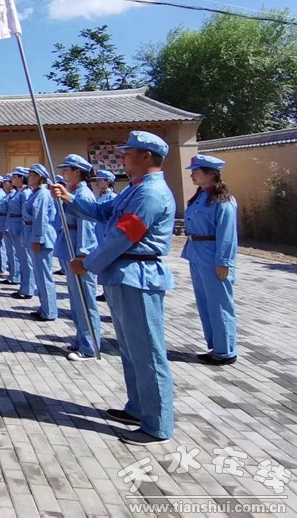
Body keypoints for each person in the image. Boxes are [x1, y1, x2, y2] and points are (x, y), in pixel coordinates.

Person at [52, 130, 175, 446]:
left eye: (129, 152)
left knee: (147, 351)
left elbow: (124, 235)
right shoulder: (136, 189)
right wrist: (70, 198)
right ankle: (138, 408)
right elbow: (103, 213)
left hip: (139, 274)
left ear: (146, 156)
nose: (123, 156)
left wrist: (88, 263)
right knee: (132, 350)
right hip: (123, 273)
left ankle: (157, 423)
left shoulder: (150, 194)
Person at [182, 154, 238, 366]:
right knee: (205, 302)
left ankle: (226, 351)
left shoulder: (224, 201)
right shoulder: (200, 196)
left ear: (210, 174)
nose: (192, 174)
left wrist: (224, 262)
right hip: (196, 252)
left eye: (196, 171)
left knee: (220, 303)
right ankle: (216, 345)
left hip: (213, 255)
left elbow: (228, 235)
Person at [55, 154, 101, 361]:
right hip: (69, 248)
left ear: (77, 172)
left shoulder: (84, 195)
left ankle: (90, 347)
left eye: (67, 170)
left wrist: (84, 255)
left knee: (85, 301)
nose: (64, 173)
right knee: (76, 301)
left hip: (79, 253)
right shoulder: (72, 192)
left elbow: (87, 229)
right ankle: (81, 339)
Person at [24, 164, 58, 321]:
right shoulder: (35, 193)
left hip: (42, 238)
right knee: (40, 275)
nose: (29, 177)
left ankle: (49, 311)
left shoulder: (43, 194)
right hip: (35, 234)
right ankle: (44, 307)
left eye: (32, 175)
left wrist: (38, 239)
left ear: (39, 177)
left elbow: (41, 218)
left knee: (44, 276)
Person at [7, 167, 34, 300]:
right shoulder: (19, 192)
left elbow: (26, 213)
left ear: (21, 178)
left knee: (26, 259)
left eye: (14, 176)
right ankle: (24, 287)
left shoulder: (25, 193)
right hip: (15, 226)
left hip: (21, 227)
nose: (12, 179)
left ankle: (28, 289)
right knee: (21, 258)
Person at [94, 169, 118, 302]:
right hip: (99, 234)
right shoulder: (100, 196)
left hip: (107, 234)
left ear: (108, 182)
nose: (97, 182)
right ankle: (105, 291)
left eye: (100, 180)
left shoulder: (112, 197)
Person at [0, 173, 18, 284]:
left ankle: (15, 276)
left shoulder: (15, 194)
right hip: (8, 225)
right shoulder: (8, 195)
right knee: (10, 252)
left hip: (14, 227)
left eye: (6, 181)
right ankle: (13, 274)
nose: (4, 184)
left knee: (14, 253)